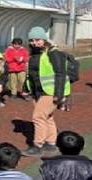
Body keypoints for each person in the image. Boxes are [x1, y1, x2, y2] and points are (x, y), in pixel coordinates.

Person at [23, 27, 69, 157]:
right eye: (31, 40)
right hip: (37, 91)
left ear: (44, 39)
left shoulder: (53, 53)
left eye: (37, 40)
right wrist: (26, 88)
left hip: (50, 91)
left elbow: (61, 74)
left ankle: (38, 145)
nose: (34, 43)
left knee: (38, 117)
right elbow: (31, 73)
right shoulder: (34, 54)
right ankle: (50, 144)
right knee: (48, 117)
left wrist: (59, 94)